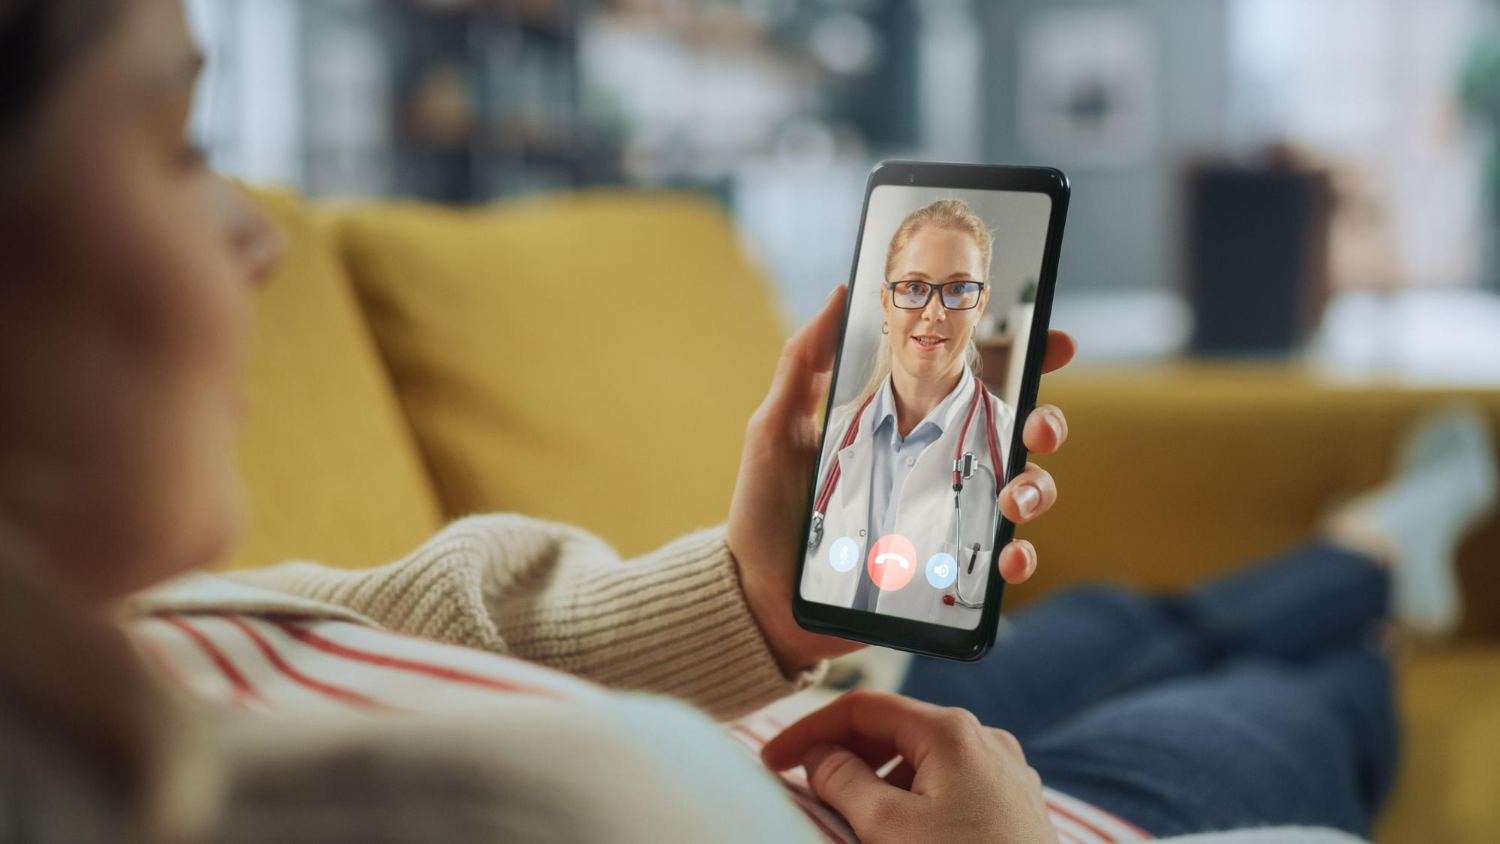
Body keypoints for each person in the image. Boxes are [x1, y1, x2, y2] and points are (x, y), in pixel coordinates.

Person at [801, 199, 1033, 626]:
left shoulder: (1011, 445)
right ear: (886, 303)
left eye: (959, 288)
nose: (934, 312)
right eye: (914, 287)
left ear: (981, 305)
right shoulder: (828, 437)